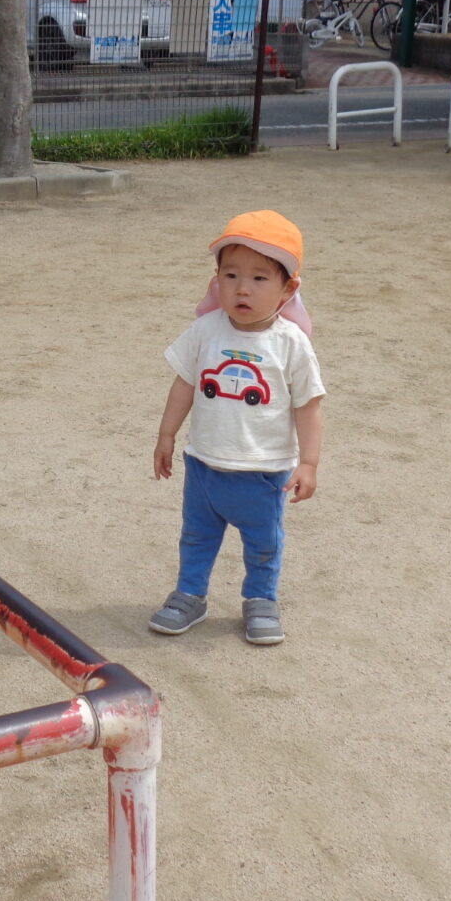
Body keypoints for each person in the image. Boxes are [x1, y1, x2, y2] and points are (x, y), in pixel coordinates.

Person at [150, 211, 325, 645]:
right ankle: (190, 593)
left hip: (263, 471)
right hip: (204, 465)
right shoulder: (205, 330)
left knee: (263, 542)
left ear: (288, 289)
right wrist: (167, 434)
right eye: (230, 275)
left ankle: (261, 598)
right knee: (196, 536)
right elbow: (185, 383)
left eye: (260, 278)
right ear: (216, 281)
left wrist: (308, 462)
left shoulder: (291, 343)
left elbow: (308, 405)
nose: (242, 288)